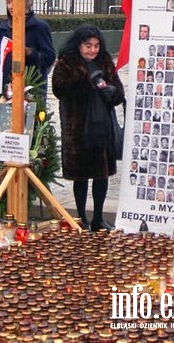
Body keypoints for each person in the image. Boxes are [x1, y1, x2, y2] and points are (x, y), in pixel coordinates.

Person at [52, 24, 125, 232]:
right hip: (79, 128)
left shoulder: (104, 60)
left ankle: (99, 218)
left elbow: (119, 91)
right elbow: (59, 89)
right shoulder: (67, 62)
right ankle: (82, 218)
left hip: (102, 126)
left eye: (96, 45)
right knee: (81, 176)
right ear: (78, 45)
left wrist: (112, 92)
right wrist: (86, 83)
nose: (93, 50)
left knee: (102, 174)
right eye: (88, 46)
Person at [0, 0, 55, 107]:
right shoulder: (4, 27)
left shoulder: (39, 27)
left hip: (31, 91)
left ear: (26, 4)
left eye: (15, 2)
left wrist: (29, 53)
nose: (11, 6)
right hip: (4, 91)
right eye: (8, 2)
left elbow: (49, 58)